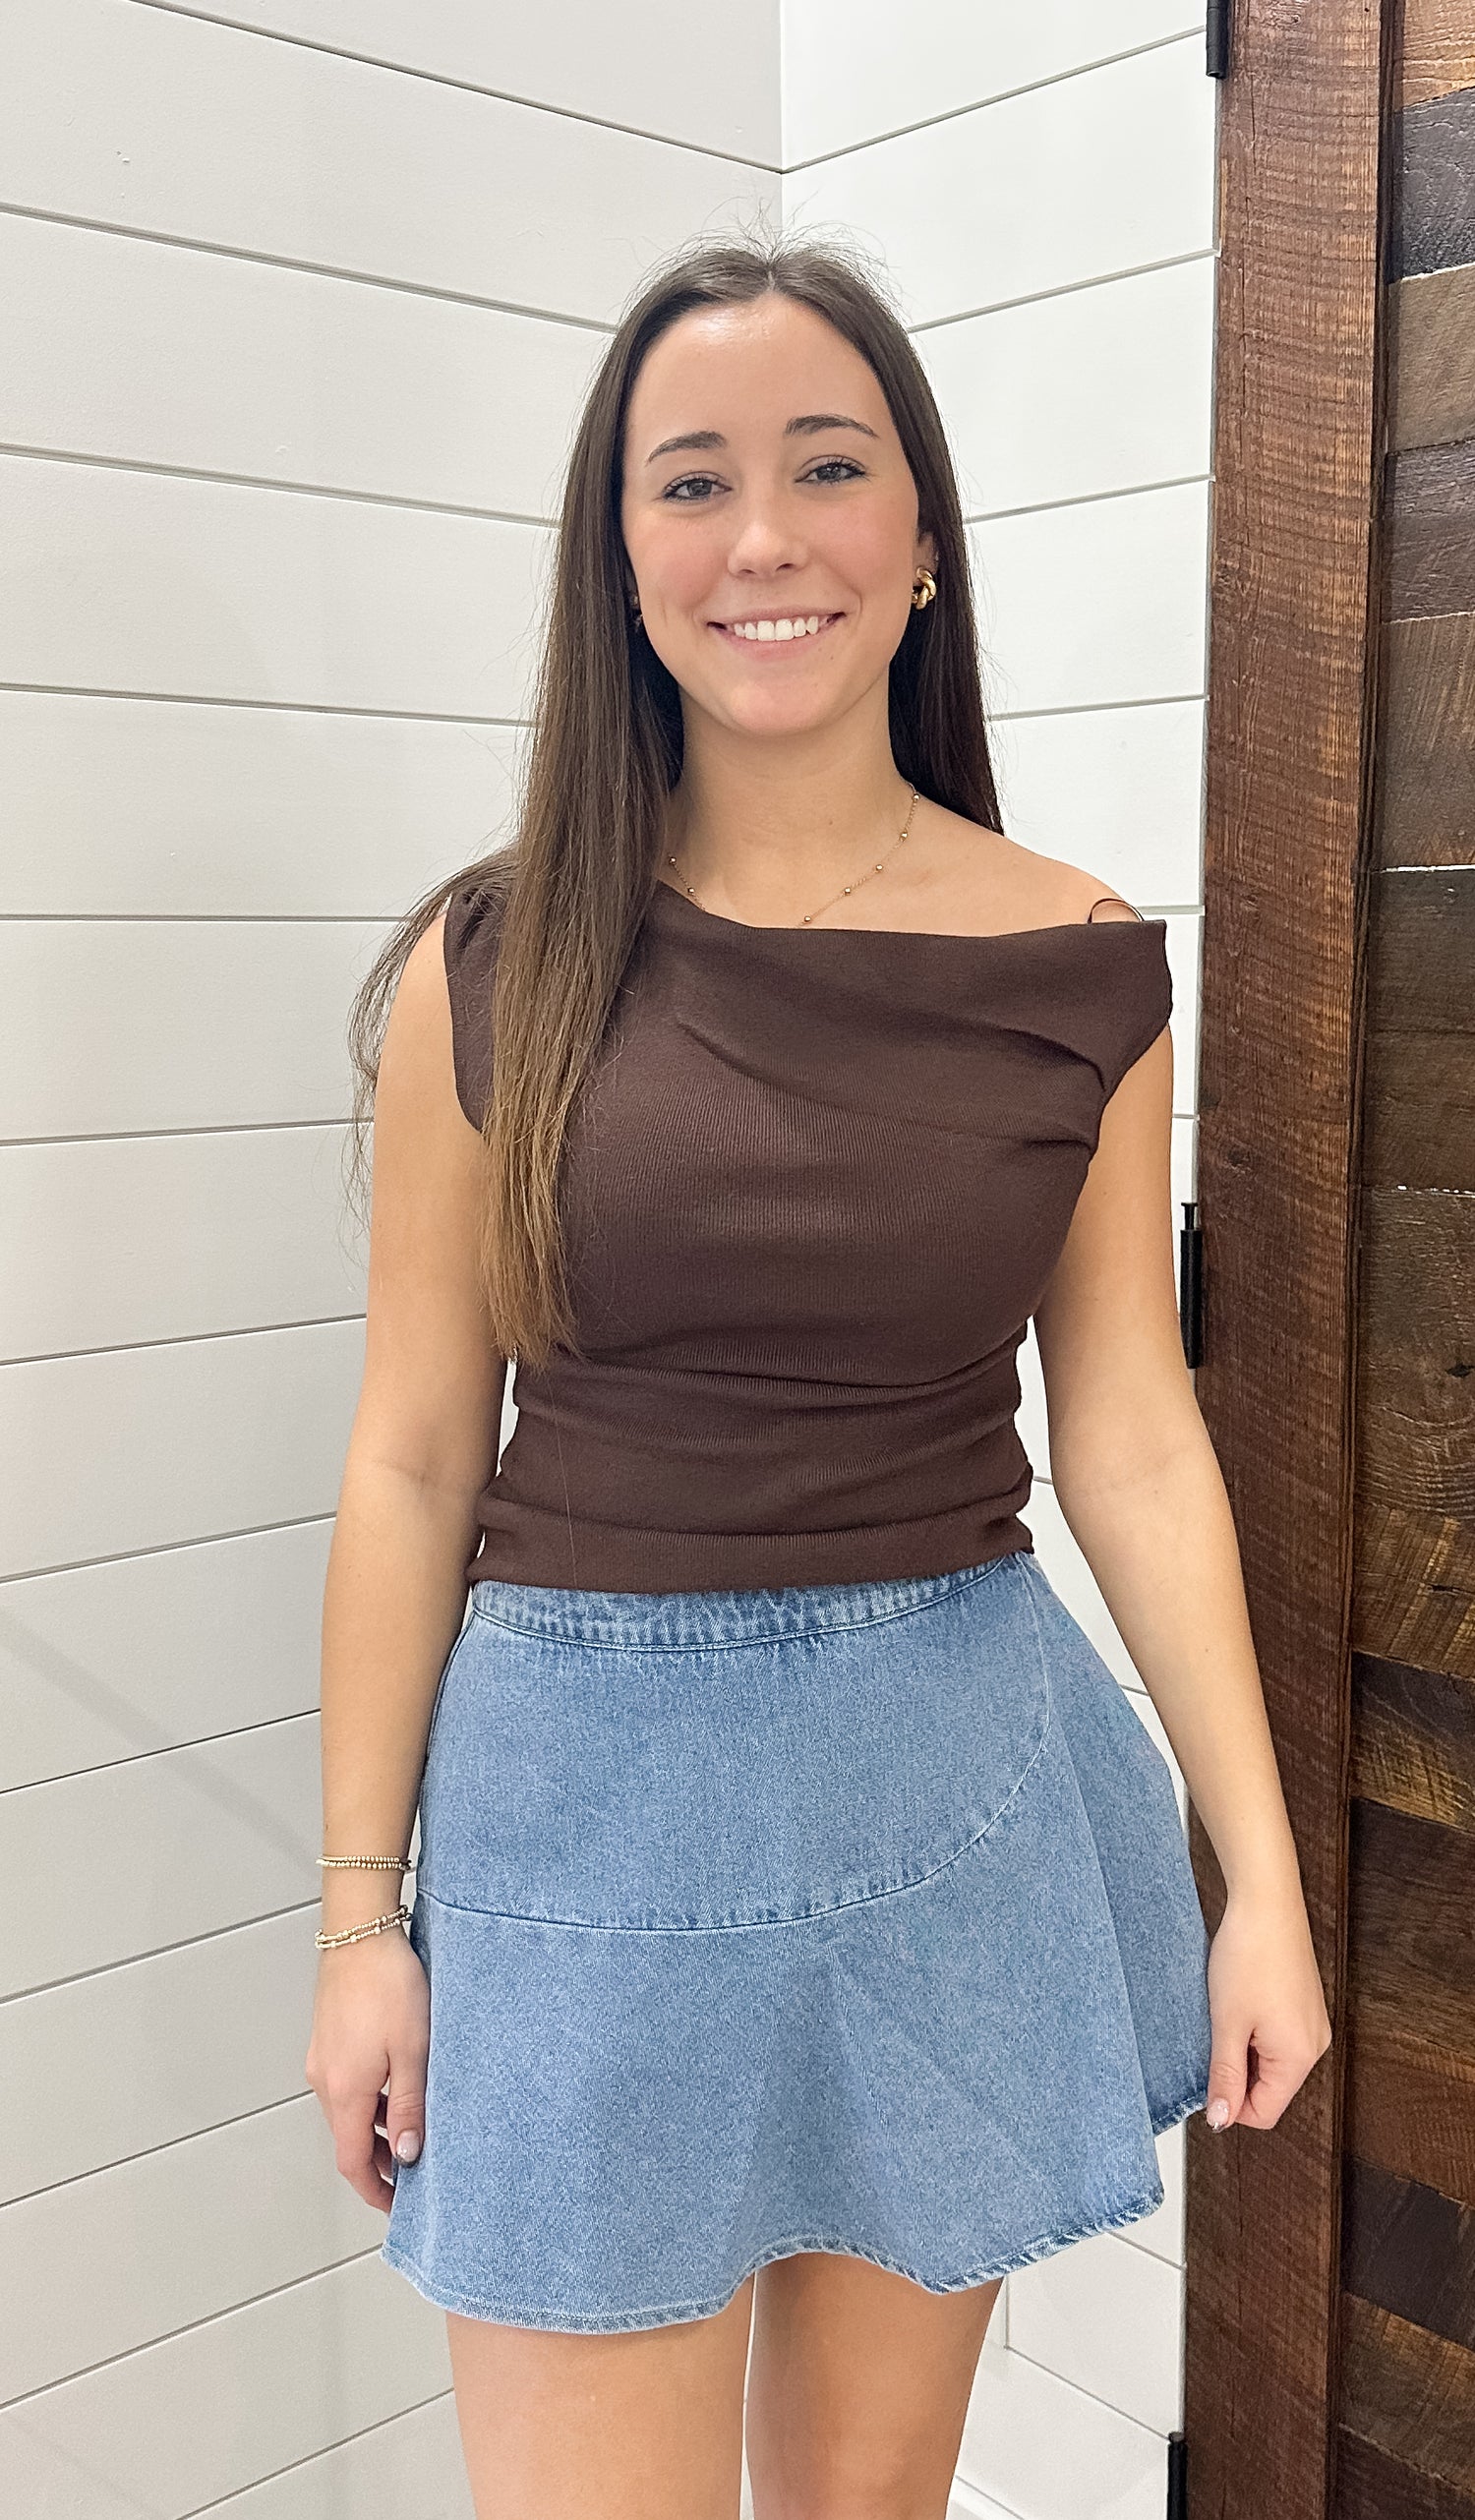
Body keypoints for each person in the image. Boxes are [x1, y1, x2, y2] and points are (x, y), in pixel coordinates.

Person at [305, 230, 1331, 2520]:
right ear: (621, 562)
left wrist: (1257, 1872)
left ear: (923, 538)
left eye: (827, 465)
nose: (763, 535)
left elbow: (1132, 1435)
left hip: (942, 1794)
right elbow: (410, 1460)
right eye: (692, 481)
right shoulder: (493, 963)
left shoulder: (1080, 965)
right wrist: (363, 1916)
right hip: (577, 1821)